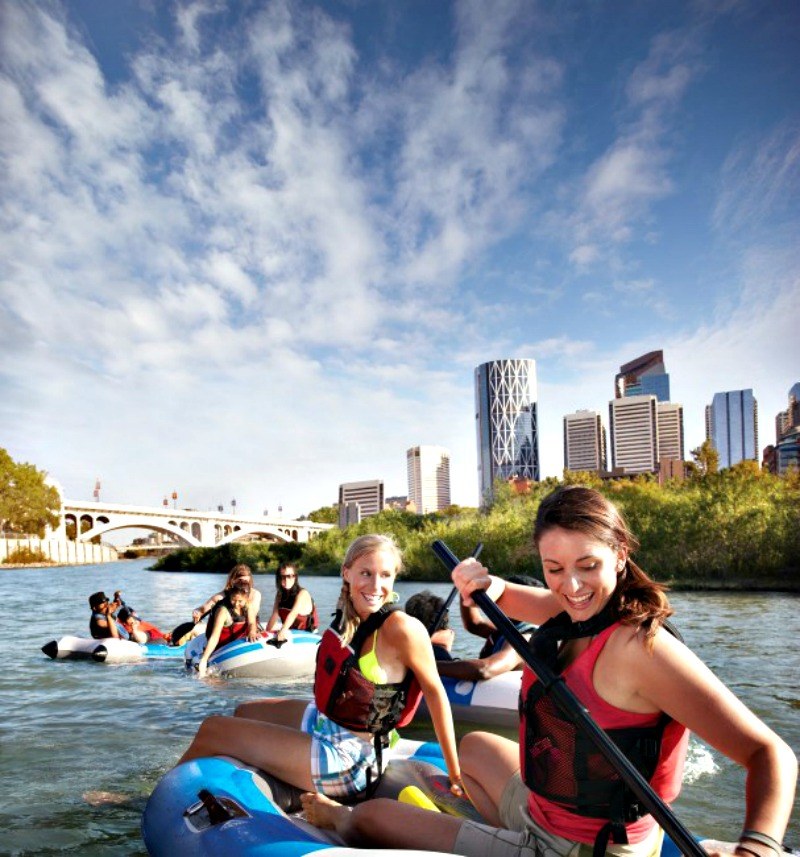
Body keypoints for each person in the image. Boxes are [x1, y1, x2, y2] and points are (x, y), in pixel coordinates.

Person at [301, 486, 797, 857]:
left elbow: (769, 753)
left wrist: (755, 848)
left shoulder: (640, 649)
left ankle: (350, 824)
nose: (571, 586)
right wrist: (485, 583)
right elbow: (521, 597)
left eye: (587, 565)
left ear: (620, 555)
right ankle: (499, 828)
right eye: (554, 568)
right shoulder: (578, 609)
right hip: (544, 808)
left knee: (373, 817)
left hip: (579, 848)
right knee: (476, 746)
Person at [177, 533, 463, 803]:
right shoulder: (349, 612)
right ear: (346, 573)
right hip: (326, 723)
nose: (376, 586)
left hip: (352, 759)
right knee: (244, 711)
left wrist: (454, 773)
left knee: (212, 729)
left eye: (386, 575)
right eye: (366, 573)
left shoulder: (402, 628)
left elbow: (436, 694)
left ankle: (159, 798)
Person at [404, 589, 526, 681]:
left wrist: (418, 665)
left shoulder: (525, 639)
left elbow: (483, 670)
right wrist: (465, 588)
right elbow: (474, 624)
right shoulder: (504, 630)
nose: (493, 604)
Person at [191, 563, 261, 641]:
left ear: (250, 581)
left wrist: (252, 631)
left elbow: (252, 616)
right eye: (240, 581)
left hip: (247, 630)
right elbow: (202, 609)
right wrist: (196, 612)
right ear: (232, 580)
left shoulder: (255, 594)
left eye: (246, 581)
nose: (243, 584)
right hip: (226, 634)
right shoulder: (221, 596)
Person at [195, 582, 251, 677]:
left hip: (238, 646)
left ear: (246, 599)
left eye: (240, 601)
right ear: (230, 596)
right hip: (222, 648)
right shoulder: (223, 611)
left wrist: (253, 631)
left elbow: (252, 622)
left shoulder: (249, 607)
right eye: (233, 600)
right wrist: (204, 659)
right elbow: (215, 636)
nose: (236, 604)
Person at [264, 562, 318, 641]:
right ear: (278, 578)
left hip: (308, 635)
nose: (286, 580)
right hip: (291, 633)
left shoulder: (302, 594)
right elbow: (274, 615)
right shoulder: (280, 595)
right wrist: (266, 632)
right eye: (283, 577)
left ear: (295, 577)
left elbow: (293, 614)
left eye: (289, 576)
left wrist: (282, 631)